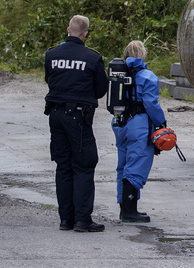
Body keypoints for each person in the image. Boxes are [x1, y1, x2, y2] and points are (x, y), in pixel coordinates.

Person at [44, 14, 108, 233]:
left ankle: (66, 219)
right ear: (85, 34)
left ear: (68, 30)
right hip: (78, 118)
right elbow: (101, 90)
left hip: (56, 116)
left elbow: (49, 80)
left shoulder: (51, 54)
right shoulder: (92, 58)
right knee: (83, 165)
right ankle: (82, 220)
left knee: (63, 166)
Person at [111, 40, 167, 223]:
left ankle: (125, 208)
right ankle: (130, 212)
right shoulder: (148, 77)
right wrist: (161, 123)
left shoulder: (118, 74)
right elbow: (151, 103)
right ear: (143, 54)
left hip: (120, 124)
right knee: (136, 166)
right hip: (139, 125)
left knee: (123, 166)